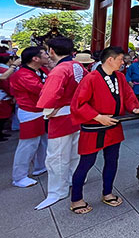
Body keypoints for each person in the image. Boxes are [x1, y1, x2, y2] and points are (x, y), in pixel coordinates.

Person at [69, 46, 139, 214]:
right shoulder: (91, 78)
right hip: (94, 127)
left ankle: (107, 193)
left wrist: (135, 109)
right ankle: (76, 199)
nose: (123, 62)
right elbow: (78, 104)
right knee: (86, 163)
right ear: (110, 60)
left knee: (112, 161)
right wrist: (98, 117)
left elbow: (128, 96)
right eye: (120, 59)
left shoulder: (120, 76)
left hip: (113, 125)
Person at [35, 37, 87, 210]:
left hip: (61, 116)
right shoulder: (77, 65)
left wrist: (49, 111)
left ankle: (58, 191)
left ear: (51, 51)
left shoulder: (60, 70)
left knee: (57, 156)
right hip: (76, 114)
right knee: (74, 152)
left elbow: (49, 97)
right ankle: (74, 179)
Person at [10, 47, 49, 188]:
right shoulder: (22, 75)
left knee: (42, 141)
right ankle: (19, 177)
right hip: (30, 112)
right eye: (45, 54)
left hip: (41, 110)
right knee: (28, 145)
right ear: (35, 58)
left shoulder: (42, 70)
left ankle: (40, 166)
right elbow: (42, 89)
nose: (48, 56)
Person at [0, 53, 18, 141]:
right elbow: (6, 85)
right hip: (4, 97)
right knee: (2, 118)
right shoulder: (5, 70)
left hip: (4, 97)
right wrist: (12, 95)